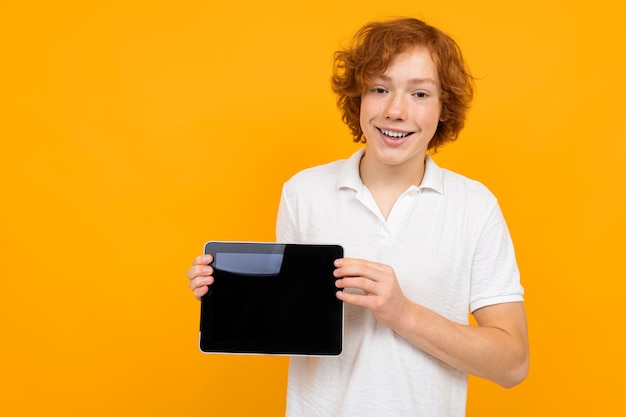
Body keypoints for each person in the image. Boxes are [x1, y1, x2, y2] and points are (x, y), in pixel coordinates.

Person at [187, 17, 529, 416]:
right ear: (359, 98)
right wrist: (229, 296)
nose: (396, 110)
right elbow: (289, 326)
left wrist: (402, 313)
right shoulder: (304, 192)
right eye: (379, 89)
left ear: (443, 107)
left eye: (420, 94)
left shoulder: (475, 205)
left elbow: (512, 364)